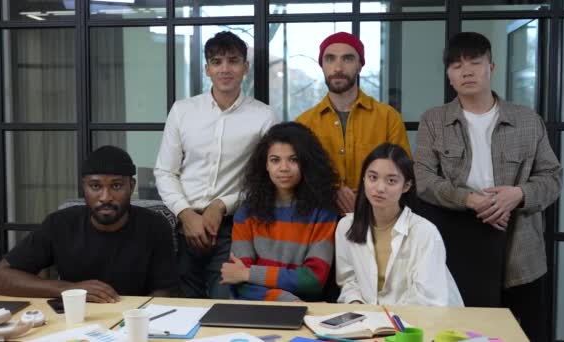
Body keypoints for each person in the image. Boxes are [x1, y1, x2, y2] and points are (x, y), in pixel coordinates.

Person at [414, 32, 562, 341]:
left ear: (491, 67)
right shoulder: (433, 121)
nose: (466, 71)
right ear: (449, 76)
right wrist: (470, 200)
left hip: (521, 244)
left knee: (526, 332)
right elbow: (424, 180)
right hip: (458, 241)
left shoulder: (526, 120)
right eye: (456, 65)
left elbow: (552, 177)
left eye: (475, 62)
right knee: (464, 332)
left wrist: (517, 195)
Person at [154, 31, 277, 299]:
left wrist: (221, 205)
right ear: (207, 69)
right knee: (183, 303)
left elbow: (266, 180)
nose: (225, 69)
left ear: (245, 67)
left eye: (233, 61)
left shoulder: (264, 117)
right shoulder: (183, 111)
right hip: (184, 224)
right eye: (217, 61)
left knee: (223, 301)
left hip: (236, 227)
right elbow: (165, 171)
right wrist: (186, 214)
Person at [0, 145, 178, 303]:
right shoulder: (60, 224)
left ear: (131, 186)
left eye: (116, 186)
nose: (105, 197)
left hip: (132, 322)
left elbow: (166, 291)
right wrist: (68, 290)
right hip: (74, 320)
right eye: (95, 186)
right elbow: (0, 278)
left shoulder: (155, 226)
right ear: (84, 187)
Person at [219, 122, 338, 302]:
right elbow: (239, 282)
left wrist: (248, 273)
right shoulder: (246, 213)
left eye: (293, 159)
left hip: (308, 312)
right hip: (256, 309)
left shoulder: (323, 213)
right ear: (265, 164)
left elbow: (312, 281)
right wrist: (285, 299)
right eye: (275, 160)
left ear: (307, 163)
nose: (284, 168)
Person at [296, 32, 411, 214]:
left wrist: (367, 194)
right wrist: (332, 191)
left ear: (360, 65)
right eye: (330, 59)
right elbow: (296, 179)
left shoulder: (388, 118)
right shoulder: (303, 123)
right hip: (320, 223)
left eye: (348, 59)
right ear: (322, 65)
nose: (338, 67)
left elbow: (403, 173)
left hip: (377, 218)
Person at [335, 143, 463, 306]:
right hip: (369, 322)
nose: (380, 188)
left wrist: (385, 319)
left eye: (391, 181)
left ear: (406, 186)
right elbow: (349, 280)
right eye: (373, 177)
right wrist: (356, 304)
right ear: (363, 179)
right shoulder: (346, 226)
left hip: (420, 323)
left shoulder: (424, 232)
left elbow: (426, 298)